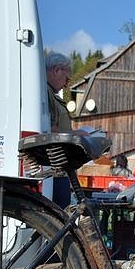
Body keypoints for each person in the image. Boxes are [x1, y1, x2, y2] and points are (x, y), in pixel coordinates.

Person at [45, 51, 88, 207]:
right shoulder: (46, 94)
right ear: (57, 70)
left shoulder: (50, 94)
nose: (67, 83)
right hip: (55, 168)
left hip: (59, 168)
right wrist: (75, 134)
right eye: (67, 78)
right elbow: (47, 128)